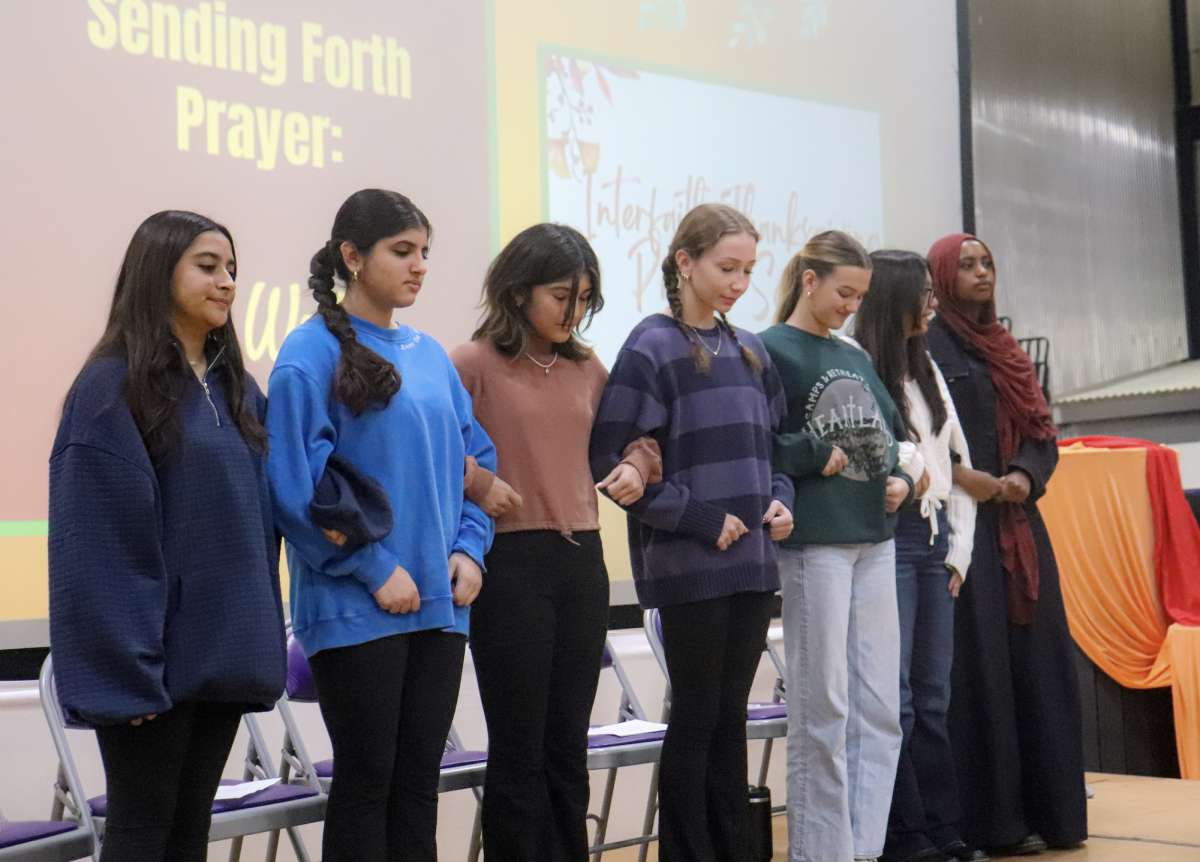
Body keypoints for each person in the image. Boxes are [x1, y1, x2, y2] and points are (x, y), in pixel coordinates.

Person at [48, 210, 287, 862]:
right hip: (149, 671)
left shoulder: (237, 388)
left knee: (187, 833)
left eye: (233, 268)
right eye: (208, 266)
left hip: (222, 659)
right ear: (158, 273)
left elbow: (284, 495)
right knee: (142, 833)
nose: (228, 282)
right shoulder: (110, 388)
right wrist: (127, 673)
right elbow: (96, 543)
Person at [265, 189, 496, 862]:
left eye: (425, 253)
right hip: (354, 607)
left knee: (417, 786)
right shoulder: (306, 354)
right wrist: (372, 568)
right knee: (367, 785)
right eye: (402, 251)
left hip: (440, 607)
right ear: (352, 256)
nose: (419, 266)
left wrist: (470, 550)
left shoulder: (428, 355)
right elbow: (291, 492)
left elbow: (477, 461)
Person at [590, 203, 795, 862]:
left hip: (754, 567)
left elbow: (778, 450)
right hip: (688, 569)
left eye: (748, 270)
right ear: (685, 262)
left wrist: (781, 502)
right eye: (726, 267)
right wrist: (705, 520)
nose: (740, 282)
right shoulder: (651, 346)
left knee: (729, 718)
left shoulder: (753, 349)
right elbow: (613, 462)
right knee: (699, 716)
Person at [451, 223, 661, 861]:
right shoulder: (470, 363)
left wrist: (637, 464)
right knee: (520, 747)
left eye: (585, 299)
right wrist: (482, 480)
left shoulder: (586, 364)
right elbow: (429, 452)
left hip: (584, 562)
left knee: (568, 746)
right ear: (517, 292)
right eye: (561, 296)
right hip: (509, 562)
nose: (574, 313)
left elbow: (638, 438)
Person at [924, 234, 1086, 855]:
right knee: (981, 674)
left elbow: (1041, 432)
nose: (981, 273)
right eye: (966, 265)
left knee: (1038, 667)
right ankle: (995, 823)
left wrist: (1023, 475)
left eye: (987, 262)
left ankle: (1057, 814)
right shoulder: (929, 346)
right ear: (941, 277)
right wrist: (975, 481)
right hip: (963, 528)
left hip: (1018, 524)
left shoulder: (1006, 347)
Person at [760, 230, 913, 862]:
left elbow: (895, 436)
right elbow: (760, 440)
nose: (851, 305)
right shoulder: (770, 350)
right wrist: (816, 454)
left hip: (874, 541)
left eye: (859, 295)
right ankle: (822, 853)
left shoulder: (852, 351)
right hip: (814, 545)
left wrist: (903, 477)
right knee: (823, 708)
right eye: (842, 292)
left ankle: (865, 849)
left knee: (880, 710)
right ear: (808, 279)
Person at [853, 250, 984, 862]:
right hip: (889, 540)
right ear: (894, 297)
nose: (933, 303)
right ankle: (906, 835)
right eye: (924, 293)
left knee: (934, 696)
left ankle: (944, 828)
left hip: (933, 546)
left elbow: (951, 468)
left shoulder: (924, 364)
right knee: (896, 698)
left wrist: (959, 551)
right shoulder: (859, 365)